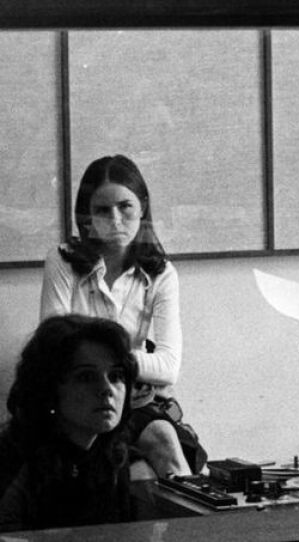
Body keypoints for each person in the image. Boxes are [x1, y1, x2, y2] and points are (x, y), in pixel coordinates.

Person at [39, 154, 200, 479]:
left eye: (125, 207)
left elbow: (169, 368)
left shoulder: (161, 273)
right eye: (102, 210)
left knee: (168, 446)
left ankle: (205, 526)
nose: (115, 220)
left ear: (142, 207)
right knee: (140, 477)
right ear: (86, 217)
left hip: (136, 404)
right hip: (77, 403)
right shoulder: (63, 261)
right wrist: (126, 364)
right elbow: (52, 347)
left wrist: (101, 360)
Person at [0, 315, 138, 531]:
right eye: (86, 377)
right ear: (49, 388)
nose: (106, 389)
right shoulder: (14, 460)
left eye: (116, 376)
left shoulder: (113, 455)